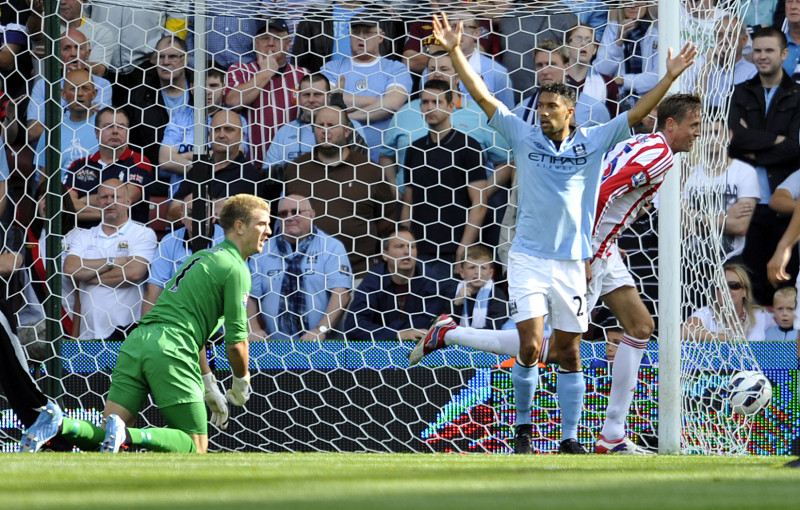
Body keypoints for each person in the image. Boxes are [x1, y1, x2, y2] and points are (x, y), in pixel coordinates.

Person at [430, 12, 697, 455]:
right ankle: (523, 432)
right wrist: (457, 50)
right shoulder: (522, 134)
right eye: (540, 108)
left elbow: (639, 112)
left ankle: (572, 440)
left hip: (574, 259)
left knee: (569, 353)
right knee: (533, 346)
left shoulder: (593, 140)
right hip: (529, 257)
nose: (544, 115)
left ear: (570, 112)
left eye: (553, 108)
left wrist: (667, 78)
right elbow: (481, 96)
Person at [21, 194, 272, 454]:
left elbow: (185, 321)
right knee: (196, 446)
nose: (269, 230)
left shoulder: (202, 258)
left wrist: (208, 383)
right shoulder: (235, 268)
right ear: (240, 226)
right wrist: (242, 381)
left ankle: (60, 425)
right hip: (171, 347)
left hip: (139, 341)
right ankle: (129, 435)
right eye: (262, 223)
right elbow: (236, 341)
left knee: (108, 432)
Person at [729, 26, 800, 306]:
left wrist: (754, 149)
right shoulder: (740, 93)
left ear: (784, 54)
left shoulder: (797, 95)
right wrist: (775, 141)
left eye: (769, 50)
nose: (762, 56)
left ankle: (783, 344)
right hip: (746, 205)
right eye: (757, 50)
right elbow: (734, 140)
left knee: (785, 283)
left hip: (785, 203)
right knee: (752, 287)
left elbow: (795, 148)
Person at [284, 104, 397, 279]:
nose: (325, 131)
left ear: (346, 131)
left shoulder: (369, 170)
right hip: (307, 274)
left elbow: (387, 219)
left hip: (359, 274)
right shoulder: (297, 168)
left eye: (332, 126)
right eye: (320, 125)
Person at [401, 79, 487, 272]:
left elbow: (479, 203)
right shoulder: (414, 150)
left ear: (450, 106)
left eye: (437, 102)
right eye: (425, 102)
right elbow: (409, 202)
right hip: (419, 251)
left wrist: (463, 250)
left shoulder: (468, 146)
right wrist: (405, 246)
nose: (430, 107)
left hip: (453, 250)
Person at [62, 179, 157, 342]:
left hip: (127, 336)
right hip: (87, 336)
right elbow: (70, 269)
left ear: (128, 201)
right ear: (98, 202)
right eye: (104, 197)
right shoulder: (83, 235)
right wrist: (112, 262)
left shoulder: (143, 233)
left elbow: (133, 273)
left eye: (116, 197)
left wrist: (87, 277)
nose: (109, 201)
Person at [248, 194, 352, 341]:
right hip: (275, 346)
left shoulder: (331, 247)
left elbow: (342, 294)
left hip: (323, 346)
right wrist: (253, 329)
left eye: (296, 212)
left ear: (312, 214)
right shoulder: (262, 250)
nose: (289, 217)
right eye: (283, 213)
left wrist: (320, 330)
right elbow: (250, 296)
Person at [321, 18, 412, 162]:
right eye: (356, 32)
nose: (361, 37)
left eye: (367, 32)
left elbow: (393, 104)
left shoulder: (395, 68)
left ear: (381, 36)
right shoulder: (333, 67)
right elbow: (325, 101)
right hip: (341, 156)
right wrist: (374, 101)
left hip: (384, 156)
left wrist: (346, 118)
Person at [224, 19, 307, 169]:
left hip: (292, 166)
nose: (270, 43)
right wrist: (266, 72)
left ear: (288, 44)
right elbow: (233, 100)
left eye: (277, 38)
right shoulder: (240, 70)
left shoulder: (303, 75)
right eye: (265, 38)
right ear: (256, 44)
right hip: (249, 166)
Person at [344, 227, 451, 342]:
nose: (407, 251)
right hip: (380, 351)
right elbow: (353, 326)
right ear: (385, 255)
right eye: (400, 246)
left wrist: (389, 331)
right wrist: (397, 334)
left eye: (411, 246)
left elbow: (429, 325)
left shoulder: (432, 281)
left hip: (421, 350)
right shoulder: (373, 281)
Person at [682, 118, 759, 265]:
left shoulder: (745, 172)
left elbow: (741, 227)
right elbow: (682, 228)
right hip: (692, 265)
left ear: (729, 136)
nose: (710, 138)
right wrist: (726, 217)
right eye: (705, 133)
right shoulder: (689, 174)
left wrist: (696, 216)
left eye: (716, 132)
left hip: (731, 261)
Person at [166, 110, 266, 222]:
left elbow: (227, 216)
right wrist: (211, 205)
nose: (221, 135)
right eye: (216, 130)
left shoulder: (249, 175)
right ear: (209, 136)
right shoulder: (198, 170)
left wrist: (188, 207)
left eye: (228, 129)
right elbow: (171, 213)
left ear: (241, 136)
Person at [64, 107, 153, 228]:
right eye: (108, 126)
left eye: (121, 126)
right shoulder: (79, 165)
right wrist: (109, 214)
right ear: (97, 132)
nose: (115, 131)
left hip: (127, 238)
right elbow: (67, 206)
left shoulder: (139, 162)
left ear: (127, 132)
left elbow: (125, 199)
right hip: (84, 237)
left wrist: (83, 201)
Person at [26, 29, 113, 146]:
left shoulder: (102, 85)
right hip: (52, 151)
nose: (73, 54)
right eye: (67, 48)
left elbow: (100, 130)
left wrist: (52, 125)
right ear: (57, 53)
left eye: (78, 48)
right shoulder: (43, 85)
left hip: (87, 150)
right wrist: (84, 112)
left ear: (88, 54)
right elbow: (33, 132)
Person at [33, 69, 100, 183]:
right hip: (62, 198)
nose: (79, 93)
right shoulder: (52, 132)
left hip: (98, 197)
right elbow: (44, 179)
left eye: (85, 88)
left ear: (94, 94)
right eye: (73, 88)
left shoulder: (106, 127)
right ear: (63, 94)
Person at [682, 264, 775, 342]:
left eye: (734, 285)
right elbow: (684, 331)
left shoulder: (761, 315)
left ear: (745, 292)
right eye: (722, 286)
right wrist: (728, 339)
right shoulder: (707, 313)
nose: (727, 290)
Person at [450, 244, 510, 330]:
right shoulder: (455, 292)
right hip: (459, 341)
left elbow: (494, 326)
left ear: (491, 273)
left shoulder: (496, 295)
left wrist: (469, 338)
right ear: (462, 272)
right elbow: (445, 325)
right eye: (472, 267)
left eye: (483, 268)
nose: (477, 272)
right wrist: (457, 303)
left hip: (488, 341)